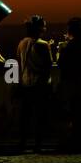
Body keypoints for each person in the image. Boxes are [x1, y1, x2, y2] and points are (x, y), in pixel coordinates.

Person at [16, 16, 54, 152]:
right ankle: (38, 144)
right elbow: (49, 64)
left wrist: (17, 82)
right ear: (39, 28)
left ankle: (22, 143)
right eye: (43, 26)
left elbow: (18, 64)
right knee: (40, 116)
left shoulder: (21, 43)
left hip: (26, 83)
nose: (45, 28)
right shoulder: (43, 44)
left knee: (25, 116)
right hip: (40, 84)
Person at [56, 17, 81, 151]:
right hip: (79, 80)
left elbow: (60, 63)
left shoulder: (69, 46)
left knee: (69, 112)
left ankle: (71, 141)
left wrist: (61, 49)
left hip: (69, 81)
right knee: (79, 112)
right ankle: (79, 140)